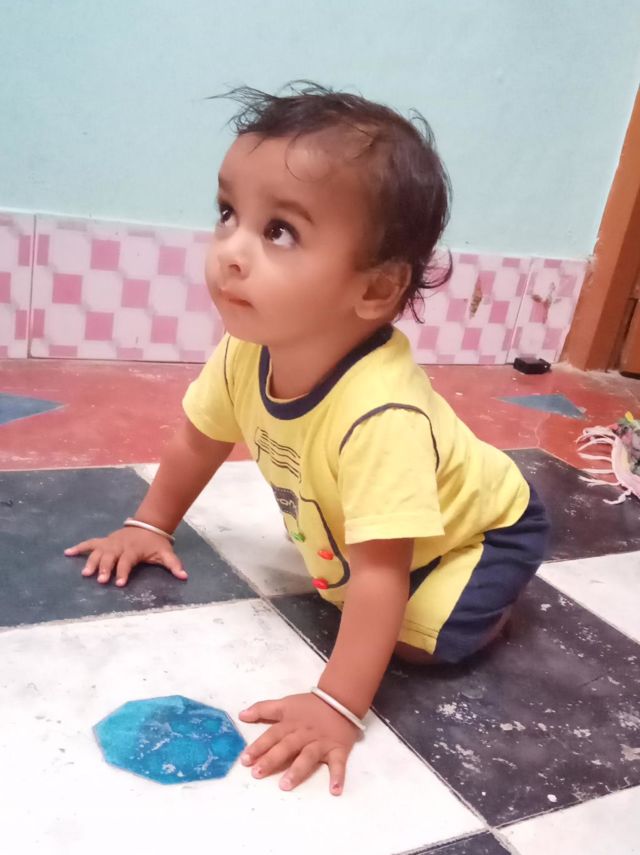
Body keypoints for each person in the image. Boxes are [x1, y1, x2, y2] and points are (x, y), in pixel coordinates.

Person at [65, 83, 550, 796]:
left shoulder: (381, 414)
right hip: (388, 539)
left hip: (486, 528)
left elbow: (380, 573)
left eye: (279, 232)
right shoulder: (246, 350)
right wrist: (149, 523)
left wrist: (337, 705)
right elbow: (199, 441)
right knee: (351, 596)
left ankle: (497, 603)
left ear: (375, 290)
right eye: (228, 213)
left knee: (417, 643)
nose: (232, 250)